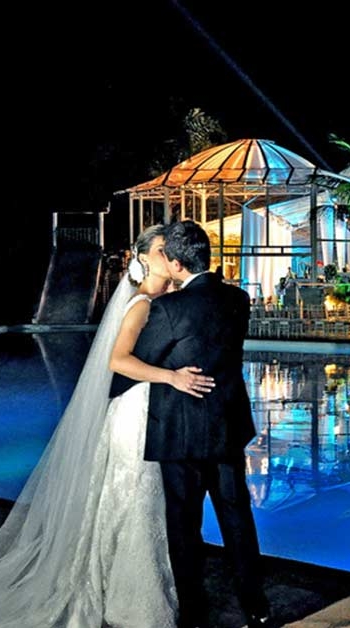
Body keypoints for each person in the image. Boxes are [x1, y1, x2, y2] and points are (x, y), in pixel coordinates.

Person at [0, 224, 214, 627]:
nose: (168, 252)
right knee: (134, 495)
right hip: (136, 411)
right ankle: (132, 596)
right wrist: (170, 377)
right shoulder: (139, 304)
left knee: (148, 499)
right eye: (161, 248)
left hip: (157, 412)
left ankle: (146, 582)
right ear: (144, 258)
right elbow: (117, 361)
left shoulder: (171, 300)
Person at [118, 219, 269, 628]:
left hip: (179, 432)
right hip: (227, 427)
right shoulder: (239, 299)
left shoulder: (168, 309)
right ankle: (256, 606)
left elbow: (136, 361)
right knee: (237, 519)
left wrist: (167, 376)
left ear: (175, 263)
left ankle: (193, 612)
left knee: (184, 526)